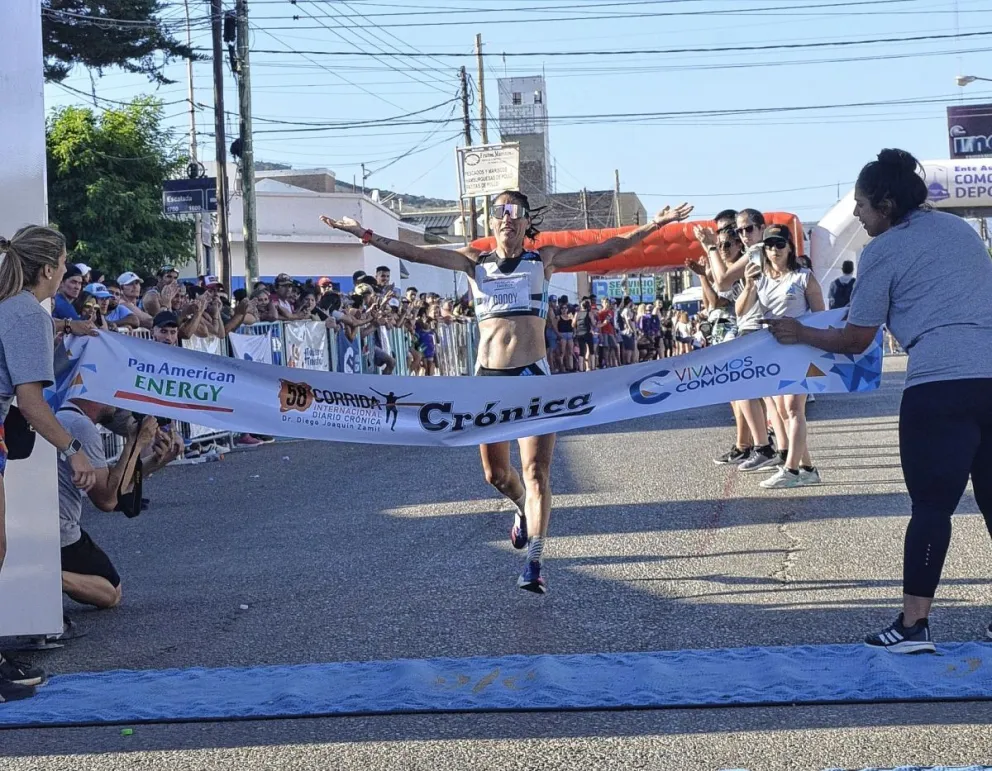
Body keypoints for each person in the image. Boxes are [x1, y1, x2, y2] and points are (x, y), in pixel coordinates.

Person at [321, 193, 693, 593]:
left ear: (526, 222)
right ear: (491, 223)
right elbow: (414, 252)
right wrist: (363, 233)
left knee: (537, 472)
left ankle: (534, 562)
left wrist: (656, 225)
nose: (507, 219)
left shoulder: (543, 260)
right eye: (500, 213)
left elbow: (609, 247)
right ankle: (520, 510)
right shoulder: (472, 262)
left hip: (534, 378)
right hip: (489, 380)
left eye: (515, 213)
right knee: (496, 475)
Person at [766, 148, 992, 653]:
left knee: (932, 508)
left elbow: (855, 339)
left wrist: (797, 331)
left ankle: (913, 627)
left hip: (940, 385)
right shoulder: (959, 232)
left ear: (886, 205)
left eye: (863, 207)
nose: (861, 218)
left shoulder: (884, 250)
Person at [0, 225, 98, 702]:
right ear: (46, 270)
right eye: (62, 264)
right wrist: (72, 449)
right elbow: (33, 404)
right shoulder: (26, 313)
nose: (65, 273)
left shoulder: (14, 308)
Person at [58, 402, 182, 610]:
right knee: (110, 593)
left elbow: (113, 480)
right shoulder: (81, 426)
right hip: (60, 531)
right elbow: (107, 500)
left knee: (105, 587)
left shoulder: (66, 418)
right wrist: (135, 442)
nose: (116, 407)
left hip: (49, 524)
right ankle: (45, 577)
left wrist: (156, 461)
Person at [737, 224, 825, 489]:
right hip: (772, 350)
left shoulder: (803, 277)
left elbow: (821, 315)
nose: (774, 250)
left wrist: (813, 342)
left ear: (790, 248)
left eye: (779, 245)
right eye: (769, 245)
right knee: (783, 413)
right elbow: (741, 311)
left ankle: (792, 470)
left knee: (793, 408)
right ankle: (808, 467)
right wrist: (750, 285)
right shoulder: (759, 277)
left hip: (799, 347)